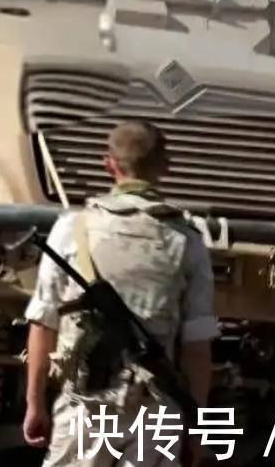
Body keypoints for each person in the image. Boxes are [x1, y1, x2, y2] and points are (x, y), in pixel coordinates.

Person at [23, 121, 217, 467]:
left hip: (84, 405)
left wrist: (34, 403)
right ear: (164, 167)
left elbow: (43, 324)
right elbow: (197, 347)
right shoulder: (187, 239)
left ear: (108, 164)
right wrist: (195, 426)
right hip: (157, 408)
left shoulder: (72, 229)